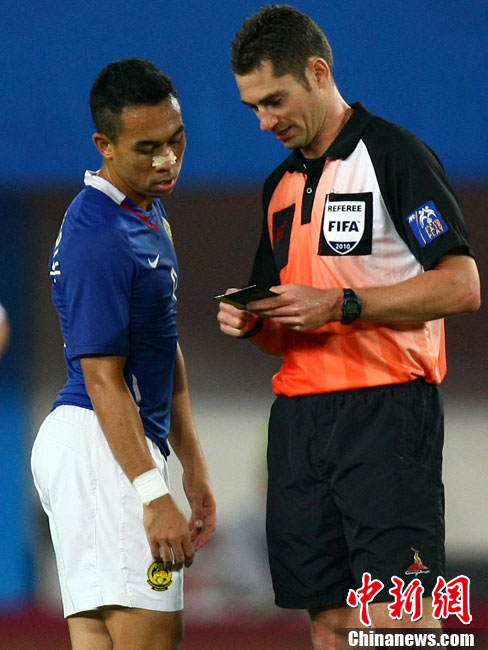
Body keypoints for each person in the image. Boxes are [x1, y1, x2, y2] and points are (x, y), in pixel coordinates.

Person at [218, 6, 480, 648]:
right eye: (253, 107)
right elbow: (286, 324)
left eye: (274, 100)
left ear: (318, 72)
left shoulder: (393, 156)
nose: (265, 121)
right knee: (332, 623)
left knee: (401, 618)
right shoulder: (279, 186)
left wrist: (342, 305)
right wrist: (252, 323)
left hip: (387, 416)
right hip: (300, 426)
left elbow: (462, 284)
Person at [31, 58, 216, 650]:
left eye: (176, 140)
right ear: (104, 146)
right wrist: (153, 495)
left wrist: (192, 463)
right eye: (147, 148)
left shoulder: (147, 211)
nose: (167, 160)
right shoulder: (100, 234)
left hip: (112, 448)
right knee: (154, 638)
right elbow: (103, 378)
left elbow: (163, 346)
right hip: (101, 445)